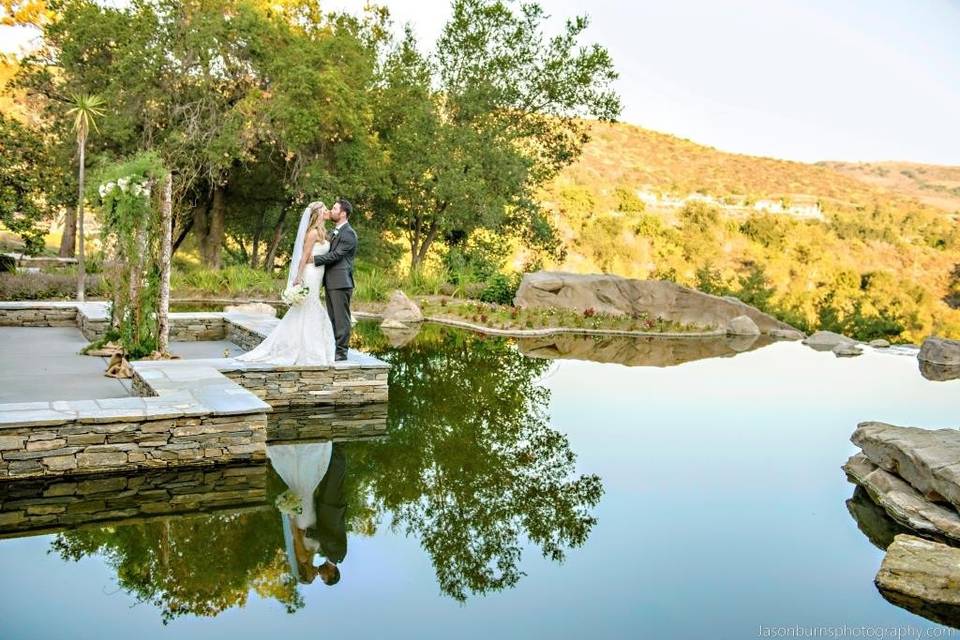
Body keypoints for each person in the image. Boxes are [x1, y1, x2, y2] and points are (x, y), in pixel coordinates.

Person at [236, 203, 335, 365]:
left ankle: (307, 347)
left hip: (318, 274)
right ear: (317, 214)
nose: (327, 211)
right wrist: (298, 277)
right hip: (310, 273)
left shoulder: (323, 232)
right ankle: (309, 351)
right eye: (324, 209)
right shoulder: (312, 233)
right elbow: (304, 257)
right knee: (310, 307)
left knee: (308, 308)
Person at [311, 199, 357, 361]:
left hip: (341, 282)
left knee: (341, 319)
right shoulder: (335, 231)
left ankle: (341, 353)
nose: (332, 210)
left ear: (343, 213)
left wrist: (314, 259)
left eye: (335, 208)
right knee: (332, 318)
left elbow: (336, 255)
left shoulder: (349, 233)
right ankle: (334, 348)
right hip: (331, 281)